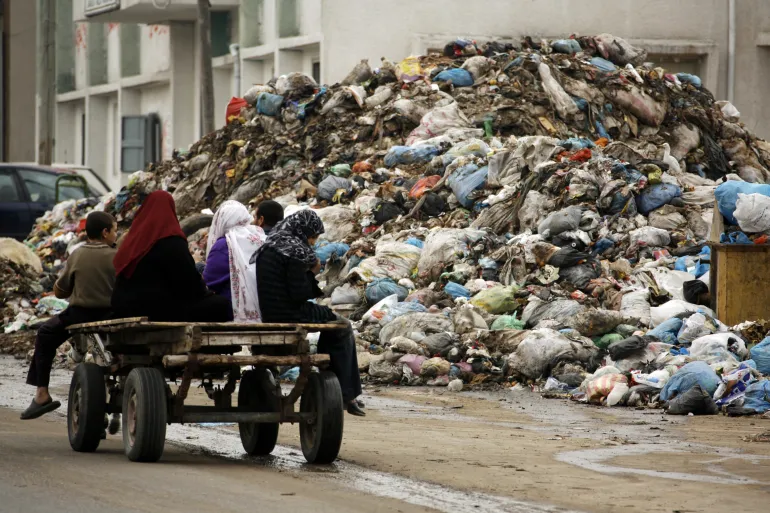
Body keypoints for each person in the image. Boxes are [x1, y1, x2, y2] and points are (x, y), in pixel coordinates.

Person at [255, 210, 365, 416]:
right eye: (313, 237)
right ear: (302, 232)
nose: (313, 242)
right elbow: (299, 293)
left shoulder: (272, 244)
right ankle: (345, 393)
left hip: (270, 312)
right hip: (289, 312)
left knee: (330, 318)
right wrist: (313, 272)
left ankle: (339, 387)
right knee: (342, 326)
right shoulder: (294, 251)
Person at [21, 211, 118, 420]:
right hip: (112, 314)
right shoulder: (117, 255)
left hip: (80, 315)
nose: (116, 235)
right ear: (105, 232)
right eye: (115, 231)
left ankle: (41, 394)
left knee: (45, 334)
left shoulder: (77, 254)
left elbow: (60, 291)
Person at [111, 190, 232, 322]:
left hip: (123, 309)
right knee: (221, 304)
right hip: (156, 311)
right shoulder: (172, 241)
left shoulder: (131, 242)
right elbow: (190, 286)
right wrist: (207, 292)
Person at [204, 200, 272, 321]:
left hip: (232, 310)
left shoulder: (223, 244)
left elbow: (209, 280)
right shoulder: (261, 237)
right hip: (267, 306)